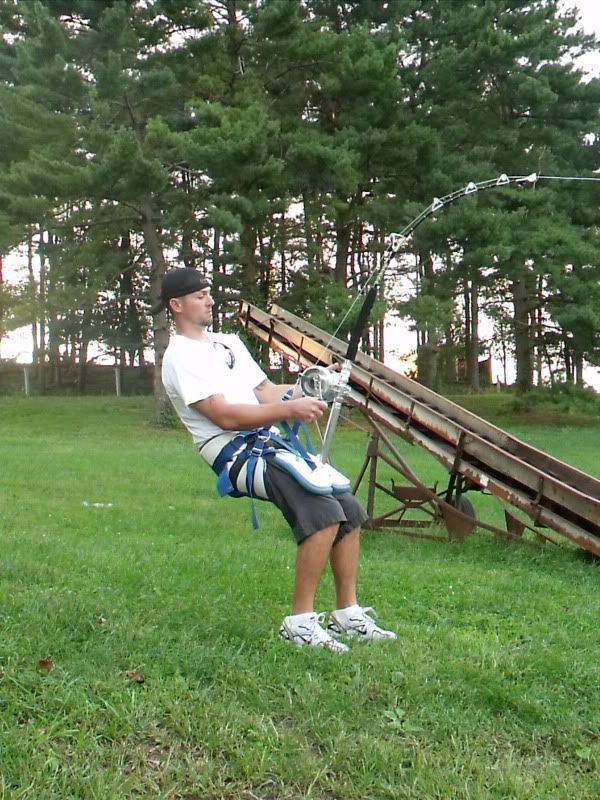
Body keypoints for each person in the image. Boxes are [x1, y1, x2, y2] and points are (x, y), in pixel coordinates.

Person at [152, 267, 396, 653]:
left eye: (209, 293)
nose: (210, 301)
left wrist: (312, 385)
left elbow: (265, 392)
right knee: (321, 512)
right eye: (200, 296)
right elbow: (224, 416)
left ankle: (347, 614)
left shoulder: (228, 343)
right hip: (235, 453)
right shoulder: (179, 356)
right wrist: (289, 411)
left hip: (269, 442)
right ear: (176, 305)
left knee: (347, 509)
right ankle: (299, 623)